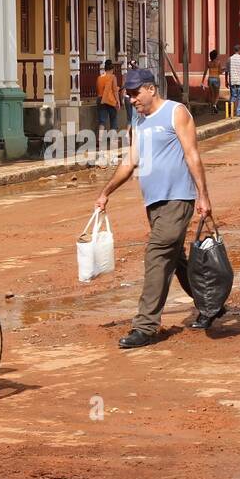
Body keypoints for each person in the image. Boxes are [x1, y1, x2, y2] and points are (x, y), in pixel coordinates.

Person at [95, 68, 215, 349]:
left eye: (136, 94)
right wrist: (105, 192)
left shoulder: (177, 112)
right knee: (176, 260)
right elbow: (130, 162)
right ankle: (211, 305)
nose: (132, 99)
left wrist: (203, 196)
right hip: (155, 203)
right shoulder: (138, 122)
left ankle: (145, 326)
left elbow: (192, 154)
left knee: (157, 254)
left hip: (178, 198)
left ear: (151, 89)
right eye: (129, 95)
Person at [96, 60, 119, 139]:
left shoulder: (99, 78)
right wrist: (118, 101)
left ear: (105, 69)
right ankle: (113, 139)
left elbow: (99, 90)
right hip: (110, 101)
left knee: (102, 121)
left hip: (101, 100)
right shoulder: (112, 77)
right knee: (113, 120)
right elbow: (115, 91)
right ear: (112, 69)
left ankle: (100, 139)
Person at [227, 44, 240, 117]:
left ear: (234, 50)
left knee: (233, 96)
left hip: (232, 81)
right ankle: (239, 112)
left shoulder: (229, 59)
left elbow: (227, 71)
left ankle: (230, 111)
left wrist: (226, 81)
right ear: (239, 50)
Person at [203, 49, 223, 114]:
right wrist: (224, 70)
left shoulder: (209, 63)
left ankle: (212, 110)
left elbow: (205, 72)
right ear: (215, 56)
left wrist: (202, 81)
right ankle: (214, 105)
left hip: (210, 79)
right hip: (216, 78)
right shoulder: (219, 62)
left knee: (212, 95)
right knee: (217, 95)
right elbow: (220, 72)